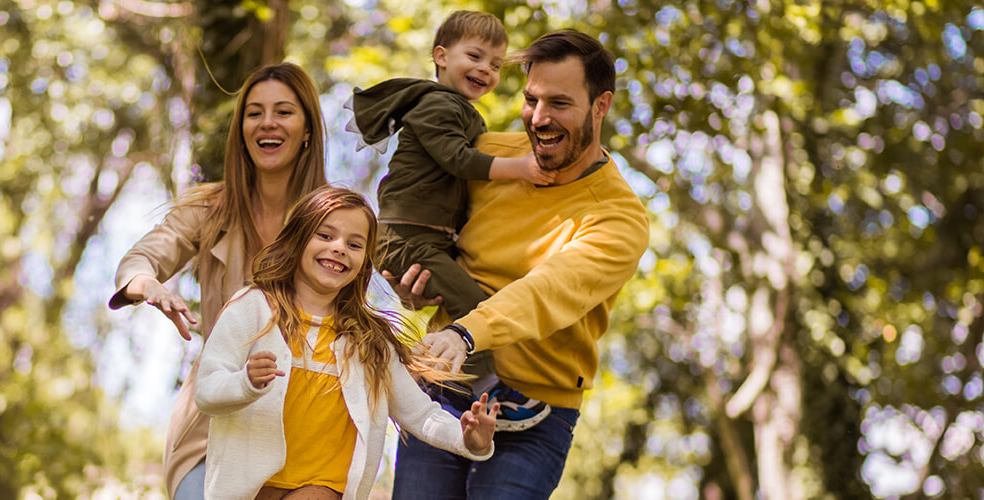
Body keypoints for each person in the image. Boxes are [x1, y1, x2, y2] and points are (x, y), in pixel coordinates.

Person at [385, 29, 652, 500]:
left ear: (601, 105)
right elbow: (422, 214)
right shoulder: (490, 157)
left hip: (536, 411)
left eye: (560, 103)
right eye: (532, 100)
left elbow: (547, 290)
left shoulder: (619, 216)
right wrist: (410, 280)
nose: (540, 118)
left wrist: (466, 332)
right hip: (446, 387)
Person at [109, 62, 333, 499]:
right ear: (241, 129)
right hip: (216, 425)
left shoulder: (334, 219)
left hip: (305, 428)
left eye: (284, 111)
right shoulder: (210, 210)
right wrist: (145, 284)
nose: (267, 123)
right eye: (255, 113)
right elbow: (143, 257)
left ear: (307, 128)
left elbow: (378, 295)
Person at [194, 187, 498, 500]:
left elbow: (420, 414)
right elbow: (206, 392)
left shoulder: (370, 342)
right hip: (247, 488)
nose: (339, 248)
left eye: (354, 244)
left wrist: (469, 441)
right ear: (296, 239)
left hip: (324, 488)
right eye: (325, 236)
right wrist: (245, 382)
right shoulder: (251, 308)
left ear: (364, 262)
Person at [347, 10, 552, 321]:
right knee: (475, 311)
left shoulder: (461, 111)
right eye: (475, 56)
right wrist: (521, 168)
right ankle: (479, 370)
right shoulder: (437, 104)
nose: (486, 69)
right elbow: (458, 159)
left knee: (483, 295)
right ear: (441, 56)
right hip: (407, 237)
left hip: (432, 239)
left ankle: (460, 363)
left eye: (495, 65)